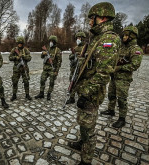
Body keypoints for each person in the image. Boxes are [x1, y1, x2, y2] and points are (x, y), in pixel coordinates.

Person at [67, 2, 121, 165]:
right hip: (85, 89)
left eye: (93, 17)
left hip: (91, 93)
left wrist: (86, 93)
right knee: (83, 123)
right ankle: (82, 143)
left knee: (89, 129)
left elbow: (104, 73)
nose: (90, 21)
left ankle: (86, 160)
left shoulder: (109, 39)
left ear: (103, 18)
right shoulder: (97, 38)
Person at [101, 26, 143, 128]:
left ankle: (122, 118)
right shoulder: (121, 47)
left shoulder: (135, 49)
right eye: (123, 35)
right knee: (111, 94)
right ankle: (111, 110)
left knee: (122, 99)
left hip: (123, 79)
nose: (123, 37)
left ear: (132, 36)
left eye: (126, 35)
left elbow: (135, 65)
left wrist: (119, 68)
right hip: (114, 77)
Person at [35, 35, 62, 100]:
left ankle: (49, 94)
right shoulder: (47, 49)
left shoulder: (57, 50)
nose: (51, 42)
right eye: (50, 41)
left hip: (52, 68)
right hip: (46, 68)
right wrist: (43, 54)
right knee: (42, 80)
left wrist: (56, 71)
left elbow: (59, 62)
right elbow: (42, 57)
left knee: (51, 82)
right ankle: (41, 93)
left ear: (55, 42)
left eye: (52, 41)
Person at [66, 32, 87, 104]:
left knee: (80, 84)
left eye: (79, 38)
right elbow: (70, 57)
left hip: (81, 70)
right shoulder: (75, 48)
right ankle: (72, 98)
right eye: (77, 38)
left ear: (83, 39)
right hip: (73, 69)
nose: (78, 39)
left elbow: (88, 58)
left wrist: (81, 57)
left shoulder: (86, 48)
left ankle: (80, 98)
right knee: (72, 82)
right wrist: (72, 56)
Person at [9, 36, 32, 101]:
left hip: (24, 68)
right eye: (19, 43)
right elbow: (10, 58)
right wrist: (16, 57)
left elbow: (29, 58)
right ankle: (14, 95)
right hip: (17, 68)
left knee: (26, 82)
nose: (20, 44)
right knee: (15, 82)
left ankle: (27, 94)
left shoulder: (26, 50)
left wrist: (24, 56)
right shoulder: (14, 50)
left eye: (21, 43)